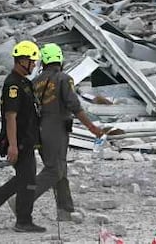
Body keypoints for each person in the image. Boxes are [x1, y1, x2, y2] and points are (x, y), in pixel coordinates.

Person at [0, 40, 46, 233]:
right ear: (22, 60)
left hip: (27, 139)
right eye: (31, 62)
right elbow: (10, 116)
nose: (33, 65)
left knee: (26, 178)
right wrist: (13, 146)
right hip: (19, 141)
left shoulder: (24, 82)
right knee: (28, 181)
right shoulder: (13, 85)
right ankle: (23, 220)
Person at [32, 43, 103, 222]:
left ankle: (65, 210)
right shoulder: (64, 78)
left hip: (40, 129)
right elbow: (75, 106)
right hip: (56, 128)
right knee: (54, 170)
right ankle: (21, 201)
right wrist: (92, 128)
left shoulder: (35, 82)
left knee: (60, 169)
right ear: (59, 60)